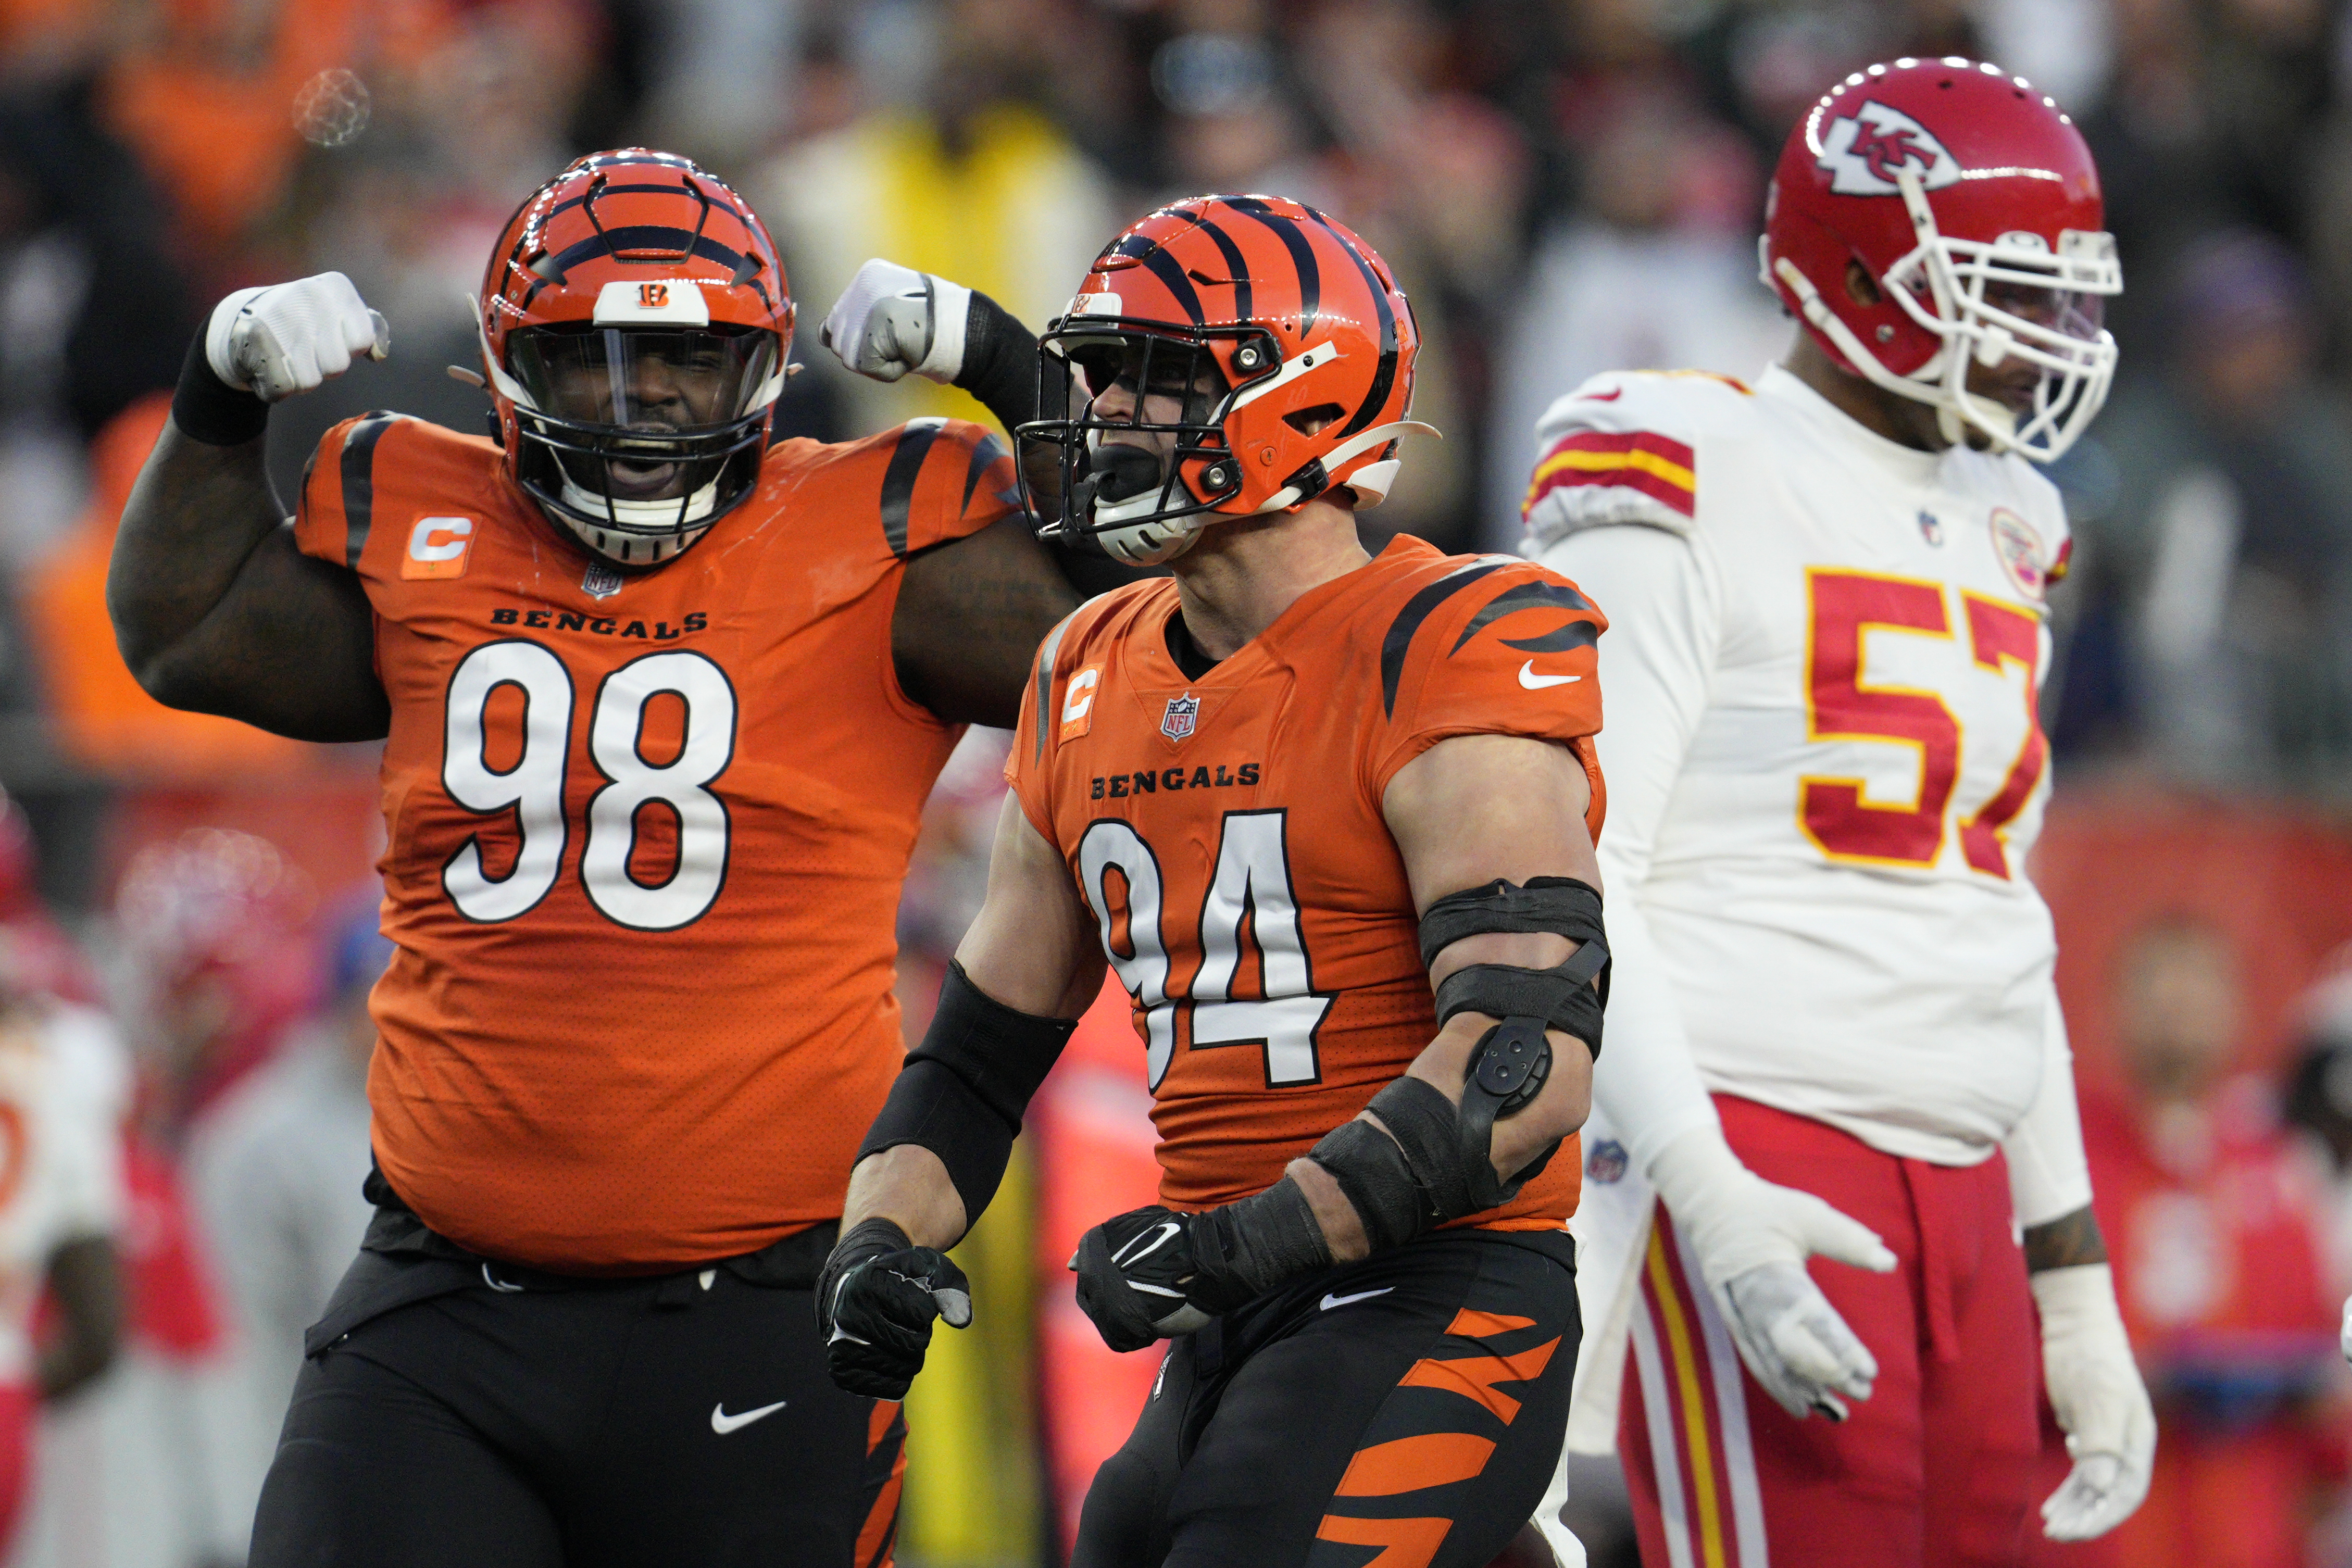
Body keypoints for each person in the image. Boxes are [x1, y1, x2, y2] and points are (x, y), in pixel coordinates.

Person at [106, 147, 1081, 1566]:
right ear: (507, 369)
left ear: (758, 365)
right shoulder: (426, 517)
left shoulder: (872, 538)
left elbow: (1152, 631)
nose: (645, 411)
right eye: (594, 365)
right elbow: (181, 634)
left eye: (687, 362)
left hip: (756, 1313)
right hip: (442, 1310)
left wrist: (1004, 360)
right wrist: (217, 395)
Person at [814, 194, 1611, 1568]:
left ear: (1295, 401)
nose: (1107, 413)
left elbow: (1522, 1065)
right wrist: (875, 1239)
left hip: (1437, 1294)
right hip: (1223, 1317)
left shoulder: (1447, 637)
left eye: (1154, 377)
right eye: (1105, 374)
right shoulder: (1083, 668)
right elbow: (978, 1057)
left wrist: (1236, 1245)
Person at [1517, 60, 2156, 1567]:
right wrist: (1704, 1188)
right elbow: (1576, 871)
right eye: (2003, 288)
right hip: (1756, 1122)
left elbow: (1991, 902)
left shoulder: (2016, 519)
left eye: (2064, 298)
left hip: (1966, 1167)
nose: (2045, 341)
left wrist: (2068, 1272)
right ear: (1868, 267)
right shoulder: (1686, 455)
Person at [2047, 918, 2344, 1568]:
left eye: (2199, 986)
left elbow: (2325, 1363)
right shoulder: (2060, 1167)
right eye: (2159, 986)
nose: (2179, 1006)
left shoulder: (2282, 1173)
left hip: (2247, 1525)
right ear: (2114, 1008)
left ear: (2236, 1008)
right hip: (2101, 1533)